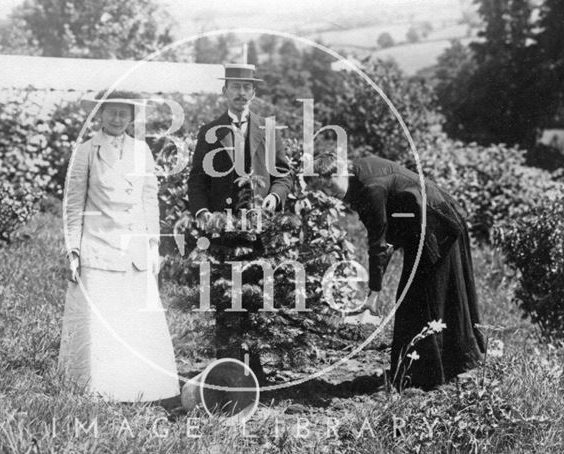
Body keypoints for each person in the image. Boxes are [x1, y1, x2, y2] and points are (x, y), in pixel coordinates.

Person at [306, 152, 486, 390]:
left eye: (329, 183)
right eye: (322, 188)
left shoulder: (370, 187)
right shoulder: (358, 175)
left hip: (438, 224)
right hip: (424, 223)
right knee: (418, 297)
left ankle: (432, 376)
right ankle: (423, 372)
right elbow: (388, 235)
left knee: (428, 296)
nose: (329, 192)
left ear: (340, 170)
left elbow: (378, 242)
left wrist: (374, 294)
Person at [59, 91, 180, 403]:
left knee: (134, 321)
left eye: (123, 114)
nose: (116, 119)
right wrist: (73, 250)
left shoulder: (142, 152)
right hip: (99, 246)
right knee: (101, 323)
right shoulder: (86, 151)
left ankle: (140, 389)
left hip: (134, 249)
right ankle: (100, 389)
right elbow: (73, 207)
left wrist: (153, 244)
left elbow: (149, 200)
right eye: (111, 112)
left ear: (132, 118)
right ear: (100, 114)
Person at [187, 64, 293, 384]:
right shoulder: (209, 131)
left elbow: (284, 176)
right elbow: (197, 181)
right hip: (223, 228)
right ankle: (227, 372)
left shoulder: (268, 130)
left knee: (254, 297)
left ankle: (254, 369)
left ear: (254, 93)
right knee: (225, 298)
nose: (240, 93)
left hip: (258, 229)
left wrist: (273, 199)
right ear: (224, 92)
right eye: (234, 86)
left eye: (247, 87)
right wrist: (203, 213)